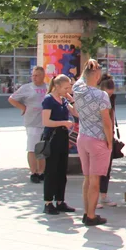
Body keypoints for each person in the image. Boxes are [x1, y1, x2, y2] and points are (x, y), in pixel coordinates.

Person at [72, 62, 112, 226]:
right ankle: (91, 215)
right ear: (96, 76)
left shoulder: (77, 89)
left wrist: (89, 65)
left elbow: (82, 78)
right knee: (95, 181)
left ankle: (86, 211)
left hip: (83, 138)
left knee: (87, 178)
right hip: (97, 140)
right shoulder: (101, 95)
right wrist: (110, 142)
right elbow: (106, 122)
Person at [41, 74, 77, 215]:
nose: (68, 90)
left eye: (69, 87)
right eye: (66, 87)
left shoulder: (63, 100)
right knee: (51, 170)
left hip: (62, 137)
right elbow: (46, 121)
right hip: (52, 136)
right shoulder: (49, 100)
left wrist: (71, 100)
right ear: (57, 86)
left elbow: (76, 113)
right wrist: (63, 123)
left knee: (62, 170)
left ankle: (60, 200)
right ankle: (48, 202)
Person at [9, 66, 49, 183]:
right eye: (33, 75)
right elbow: (12, 99)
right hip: (32, 122)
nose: (34, 77)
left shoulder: (47, 87)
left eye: (37, 75)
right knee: (32, 148)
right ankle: (34, 172)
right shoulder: (26, 88)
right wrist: (23, 108)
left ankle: (41, 171)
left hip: (45, 122)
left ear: (43, 76)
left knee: (42, 148)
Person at [97, 74, 119, 208]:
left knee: (106, 168)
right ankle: (95, 196)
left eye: (111, 95)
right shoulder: (97, 99)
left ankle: (103, 195)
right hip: (98, 135)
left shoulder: (112, 99)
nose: (109, 97)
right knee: (96, 169)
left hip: (108, 134)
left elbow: (111, 116)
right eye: (107, 94)